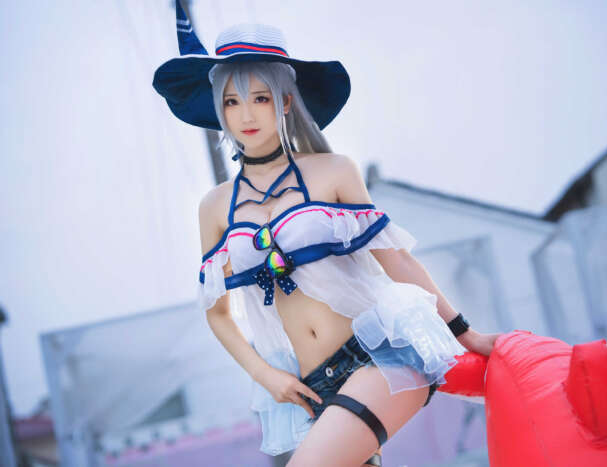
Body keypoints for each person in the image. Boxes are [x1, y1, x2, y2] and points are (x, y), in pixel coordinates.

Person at [153, 4, 500, 466]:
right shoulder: (214, 206)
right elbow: (217, 314)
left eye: (260, 98)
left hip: (377, 356)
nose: (245, 114)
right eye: (232, 102)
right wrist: (266, 376)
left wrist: (468, 335)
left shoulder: (333, 171)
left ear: (286, 102)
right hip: (310, 384)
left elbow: (397, 260)